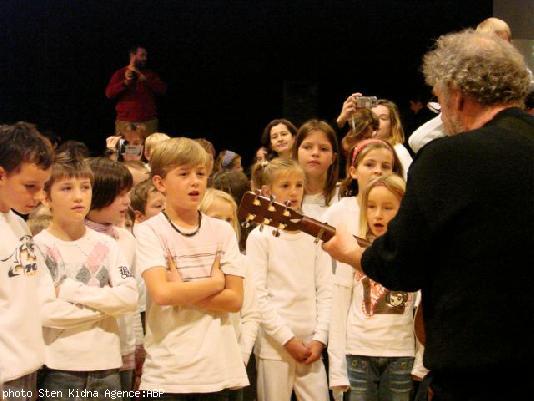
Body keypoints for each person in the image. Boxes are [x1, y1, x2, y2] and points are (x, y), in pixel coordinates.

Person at [322, 29, 534, 400]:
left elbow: (400, 267)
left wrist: (350, 253)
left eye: (438, 98)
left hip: (478, 374)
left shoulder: (448, 158)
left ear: (457, 94)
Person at [134, 138, 249, 399]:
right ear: (160, 183)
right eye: (183, 174)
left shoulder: (222, 230)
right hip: (168, 374)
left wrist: (182, 289)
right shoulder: (148, 231)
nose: (195, 181)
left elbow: (235, 300)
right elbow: (162, 295)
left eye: (200, 173)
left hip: (220, 371)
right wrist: (214, 283)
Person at [35, 153, 138, 400]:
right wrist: (107, 308)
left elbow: (129, 297)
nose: (79, 196)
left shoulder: (108, 244)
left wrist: (72, 292)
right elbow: (46, 312)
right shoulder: (38, 246)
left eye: (85, 187)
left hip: (107, 367)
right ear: (46, 197)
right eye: (67, 188)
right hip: (59, 368)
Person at [246, 158, 332, 401]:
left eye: (298, 185)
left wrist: (319, 338)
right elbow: (258, 297)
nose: (293, 192)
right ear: (266, 192)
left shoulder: (314, 235)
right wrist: (287, 339)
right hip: (276, 346)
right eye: (284, 186)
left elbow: (325, 290)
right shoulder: (259, 238)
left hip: (311, 346)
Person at [328, 174, 415, 401]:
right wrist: (337, 370)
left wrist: (422, 363)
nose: (378, 214)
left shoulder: (412, 253)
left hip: (401, 354)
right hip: (358, 353)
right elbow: (338, 309)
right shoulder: (353, 250)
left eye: (388, 208)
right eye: (371, 206)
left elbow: (424, 309)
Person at [0, 122, 54, 400]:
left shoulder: (18, 225)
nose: (39, 196)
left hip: (26, 365)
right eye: (30, 186)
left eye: (43, 187)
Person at [200, 188, 260, 401]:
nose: (226, 226)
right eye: (217, 219)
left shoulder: (243, 263)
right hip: (197, 365)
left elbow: (251, 314)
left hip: (231, 366)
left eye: (230, 220)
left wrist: (242, 356)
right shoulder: (190, 261)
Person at [105, 45, 166, 136]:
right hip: (125, 122)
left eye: (146, 56)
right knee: (123, 149)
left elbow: (162, 90)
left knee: (149, 149)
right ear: (133, 55)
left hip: (148, 122)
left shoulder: (149, 74)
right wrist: (125, 83)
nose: (145, 58)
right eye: (142, 55)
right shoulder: (120, 73)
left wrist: (146, 80)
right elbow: (109, 93)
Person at [293, 119, 339, 221]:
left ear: (333, 158)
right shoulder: (285, 196)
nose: (315, 153)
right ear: (296, 153)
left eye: (323, 149)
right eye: (307, 147)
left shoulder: (344, 197)